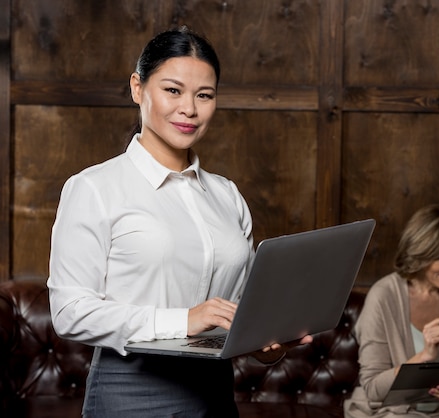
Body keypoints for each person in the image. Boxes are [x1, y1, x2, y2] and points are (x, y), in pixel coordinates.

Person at [47, 26, 310, 418]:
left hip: (216, 391)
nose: (189, 108)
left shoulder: (226, 195)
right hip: (131, 391)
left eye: (204, 95)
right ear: (138, 88)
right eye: (173, 90)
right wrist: (184, 320)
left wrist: (262, 343)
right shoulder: (94, 188)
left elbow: (237, 308)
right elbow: (70, 312)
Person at [344, 205, 439, 418]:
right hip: (389, 412)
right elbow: (373, 389)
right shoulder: (384, 295)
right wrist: (424, 356)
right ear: (421, 253)